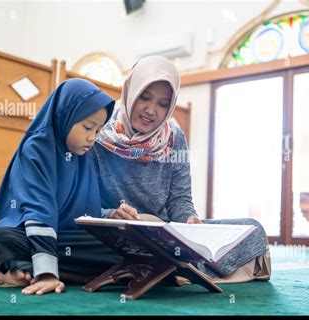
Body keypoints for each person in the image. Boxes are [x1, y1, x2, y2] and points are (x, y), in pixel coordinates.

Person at [93, 56, 270, 280]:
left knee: (252, 229)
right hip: (119, 231)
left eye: (163, 104)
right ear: (130, 92)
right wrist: (112, 215)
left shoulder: (173, 138)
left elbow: (180, 200)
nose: (151, 110)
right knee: (93, 236)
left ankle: (170, 267)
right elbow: (87, 205)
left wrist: (190, 220)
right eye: (144, 98)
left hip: (165, 232)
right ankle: (183, 268)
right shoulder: (100, 135)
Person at [0, 78, 123, 295]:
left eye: (98, 130)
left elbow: (88, 212)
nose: (92, 137)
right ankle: (45, 270)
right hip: (27, 234)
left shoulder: (84, 155)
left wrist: (112, 216)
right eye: (87, 127)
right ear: (65, 116)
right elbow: (38, 210)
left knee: (123, 249)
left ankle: (23, 270)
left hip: (65, 239)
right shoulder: (36, 149)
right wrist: (47, 273)